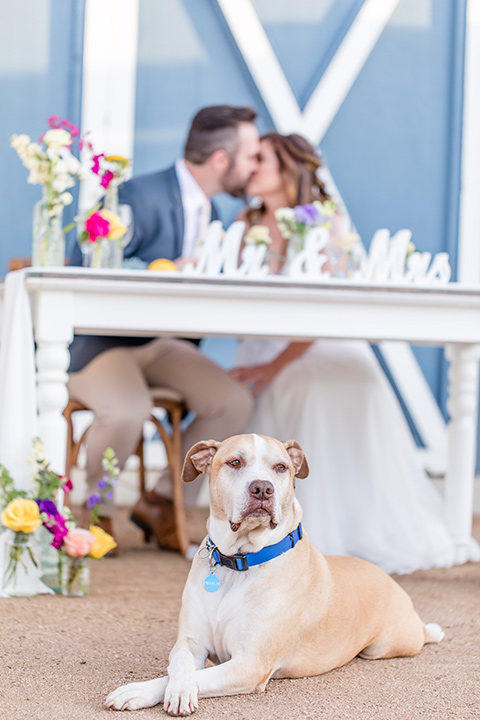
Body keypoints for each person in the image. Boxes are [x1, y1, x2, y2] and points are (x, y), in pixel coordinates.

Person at [231, 131, 480, 574]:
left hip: (320, 341)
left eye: (260, 160)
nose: (249, 168)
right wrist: (267, 362)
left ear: (288, 169)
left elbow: (331, 307)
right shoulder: (242, 226)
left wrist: (277, 365)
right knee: (303, 386)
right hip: (264, 343)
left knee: (350, 379)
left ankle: (347, 524)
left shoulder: (330, 225)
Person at [67, 105, 260, 549]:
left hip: (159, 345)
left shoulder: (212, 213)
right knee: (128, 410)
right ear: (220, 160)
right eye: (250, 156)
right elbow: (84, 258)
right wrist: (164, 268)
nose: (254, 166)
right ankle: (94, 513)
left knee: (231, 403)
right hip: (100, 344)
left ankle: (160, 501)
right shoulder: (140, 195)